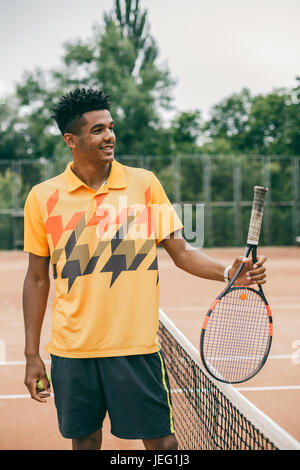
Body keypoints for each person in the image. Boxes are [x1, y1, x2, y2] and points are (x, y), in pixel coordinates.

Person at [23, 88, 267, 451]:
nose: (109, 136)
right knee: (85, 442)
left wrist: (228, 273)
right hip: (72, 351)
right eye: (97, 130)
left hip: (135, 348)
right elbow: (37, 277)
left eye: (110, 127)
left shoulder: (143, 184)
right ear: (70, 140)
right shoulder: (42, 197)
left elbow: (181, 253)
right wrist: (32, 356)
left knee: (164, 446)